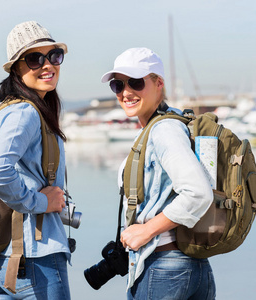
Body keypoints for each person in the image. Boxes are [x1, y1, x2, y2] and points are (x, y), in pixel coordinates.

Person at [101, 47, 216, 300]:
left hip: (164, 267)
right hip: (188, 267)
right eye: (118, 85)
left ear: (159, 83)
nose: (126, 92)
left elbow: (198, 193)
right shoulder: (165, 124)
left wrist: (146, 230)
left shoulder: (164, 130)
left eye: (135, 82)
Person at [0, 21, 71, 299]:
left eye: (54, 56)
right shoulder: (24, 113)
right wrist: (41, 202)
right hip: (34, 258)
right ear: (16, 68)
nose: (48, 65)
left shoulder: (1, 109)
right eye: (34, 58)